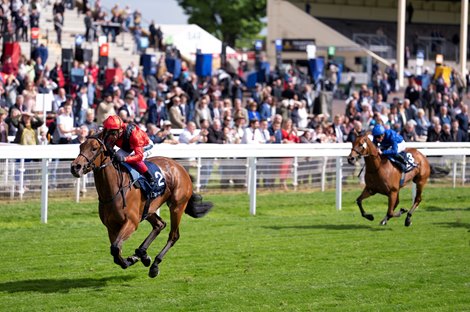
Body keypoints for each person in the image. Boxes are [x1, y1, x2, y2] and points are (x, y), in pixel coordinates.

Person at [102, 115, 162, 198]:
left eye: (113, 132)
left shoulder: (134, 134)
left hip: (145, 146)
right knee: (115, 159)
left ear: (120, 129)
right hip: (128, 147)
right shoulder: (113, 132)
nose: (111, 136)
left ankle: (151, 180)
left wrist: (125, 159)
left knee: (134, 160)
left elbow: (139, 156)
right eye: (109, 132)